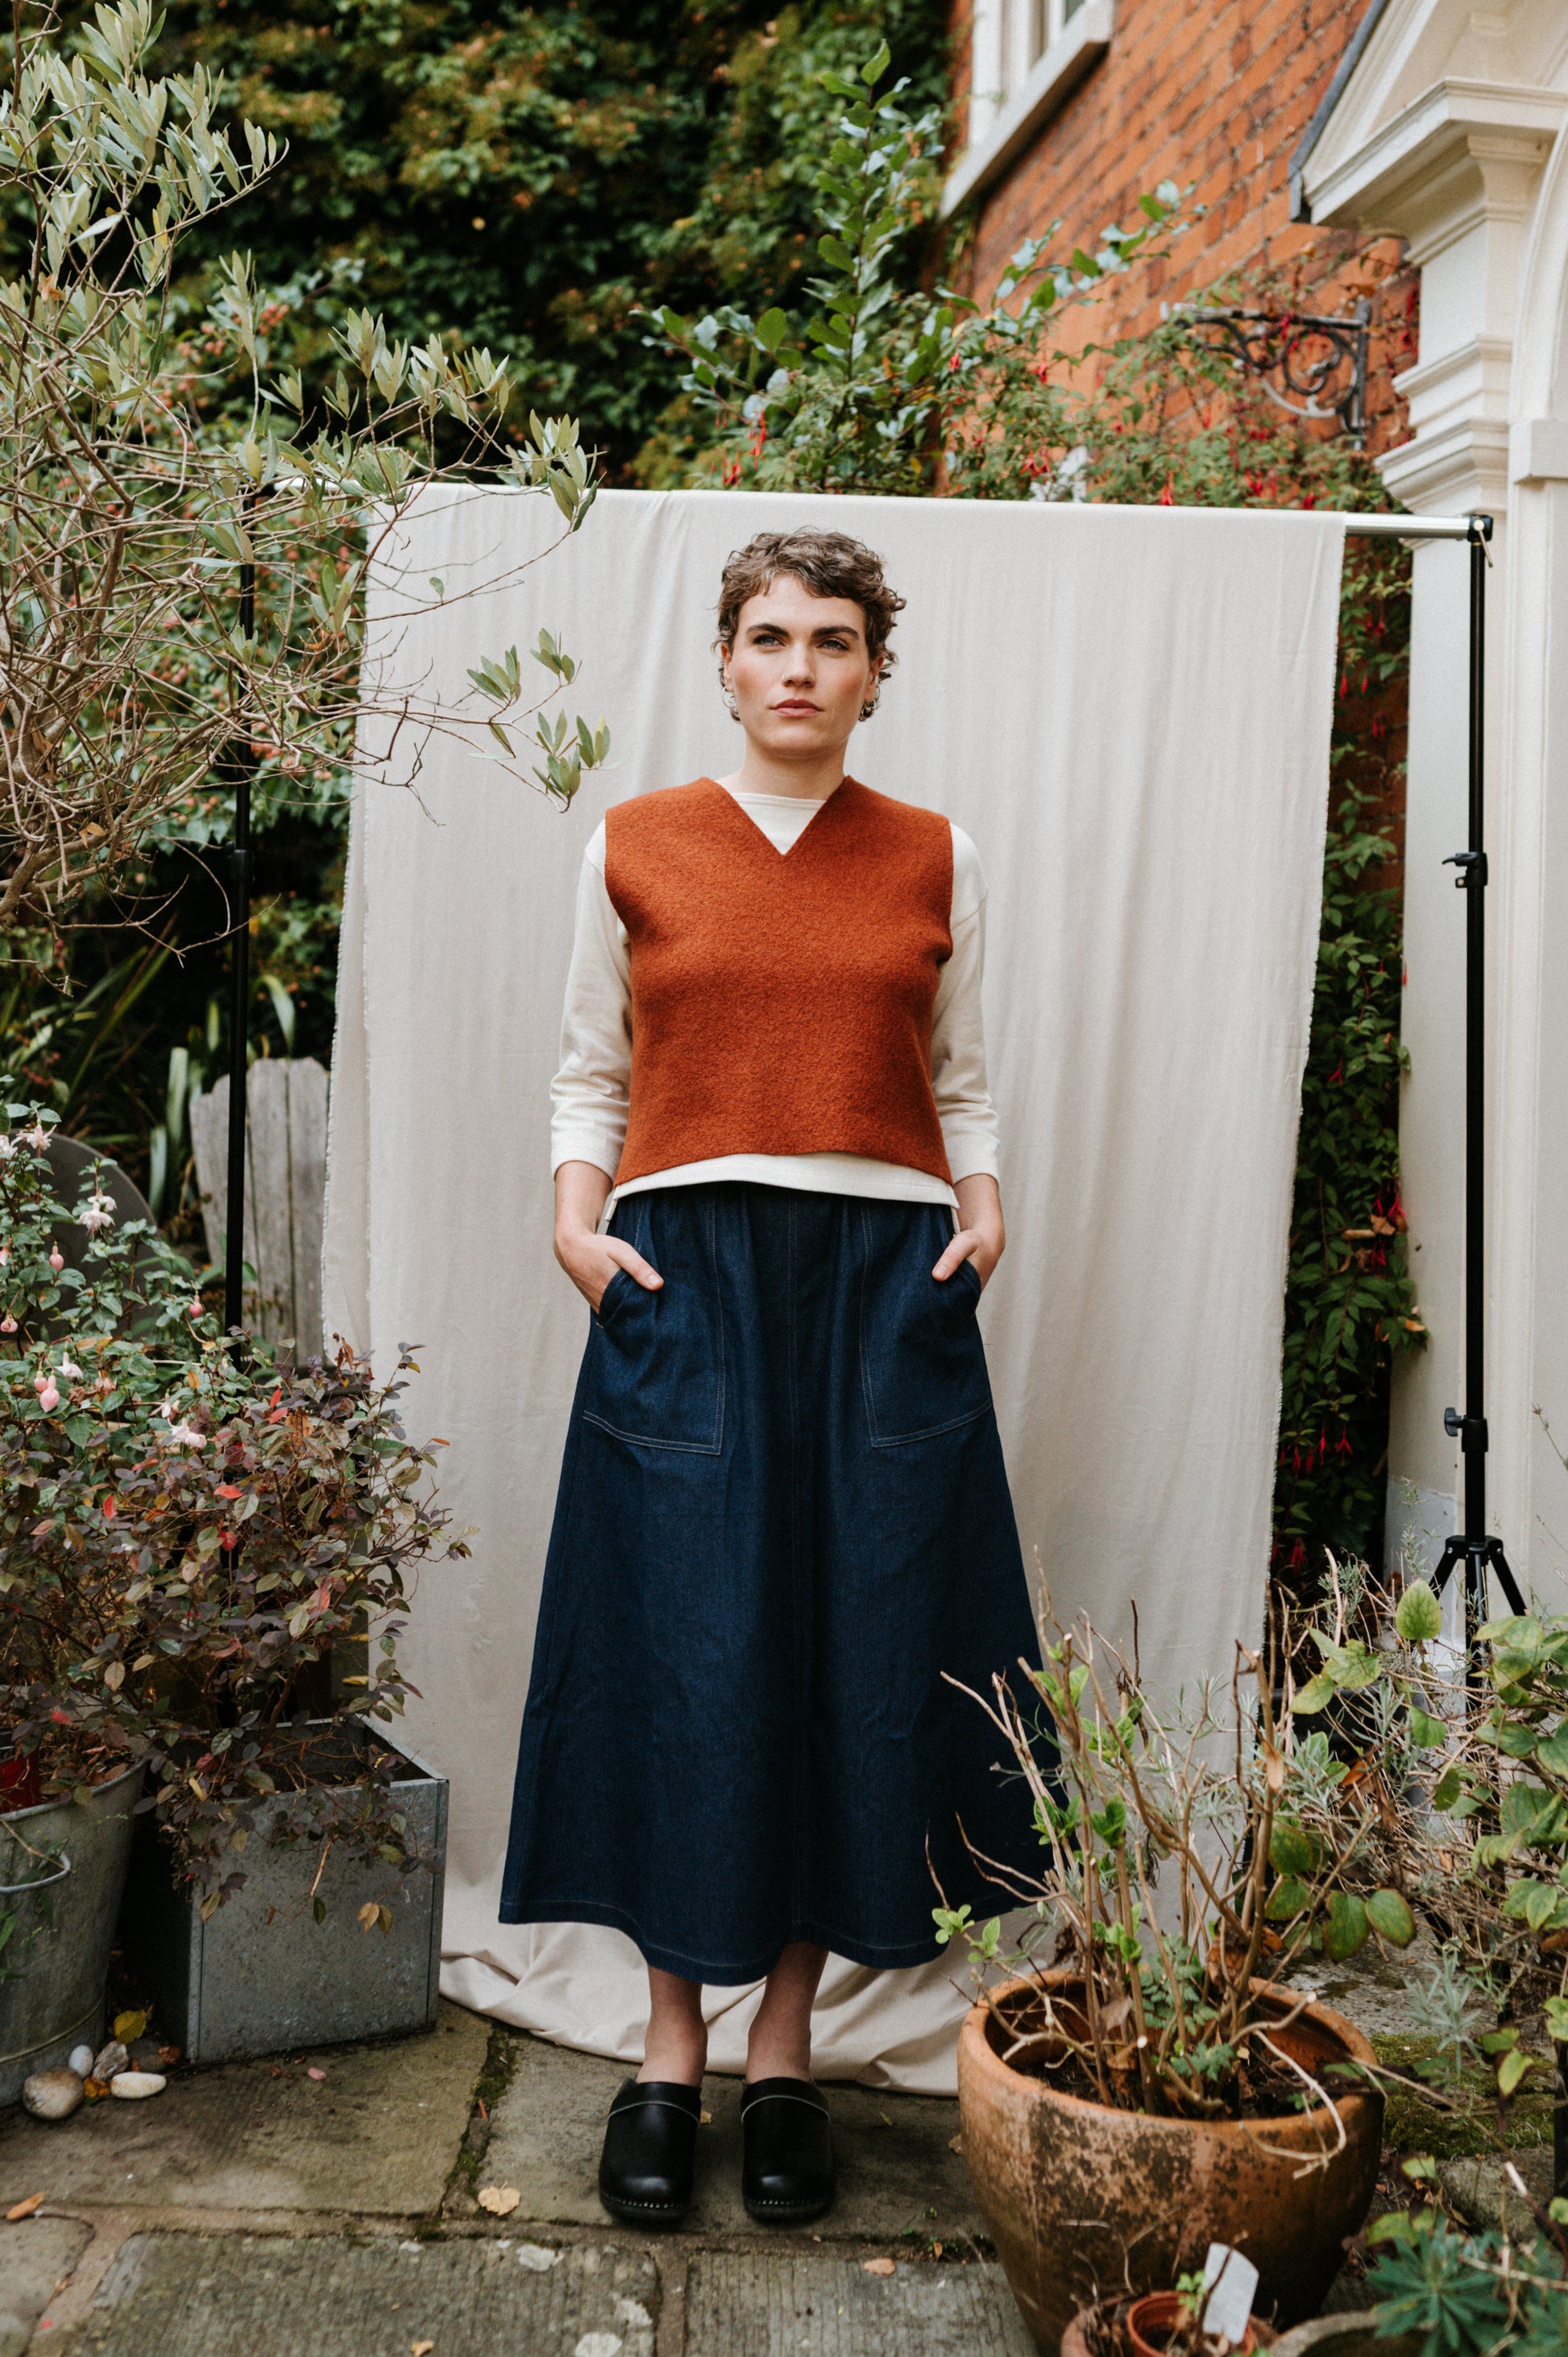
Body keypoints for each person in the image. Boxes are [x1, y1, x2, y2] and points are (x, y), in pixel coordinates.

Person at [500, 527, 1040, 2229]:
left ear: (875, 669)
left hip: (881, 1288)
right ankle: (670, 2054)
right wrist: (578, 1230)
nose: (797, 665)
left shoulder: (933, 853)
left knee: (851, 1651)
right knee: (693, 1647)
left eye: (830, 639)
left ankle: (786, 2051)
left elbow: (960, 1076)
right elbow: (594, 1067)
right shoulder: (637, 844)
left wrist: (982, 1204)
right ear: (725, 664)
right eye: (766, 636)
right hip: (687, 1282)